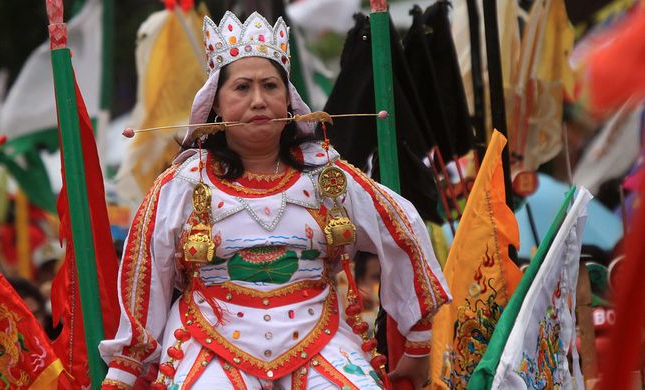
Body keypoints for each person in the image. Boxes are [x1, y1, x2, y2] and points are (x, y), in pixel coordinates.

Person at [100, 11, 450, 389]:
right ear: (215, 102)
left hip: (318, 333)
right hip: (209, 338)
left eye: (270, 86)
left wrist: (419, 341)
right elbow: (145, 272)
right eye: (242, 88)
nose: (258, 100)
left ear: (288, 100)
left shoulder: (327, 176)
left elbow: (403, 229)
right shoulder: (182, 184)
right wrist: (126, 368)